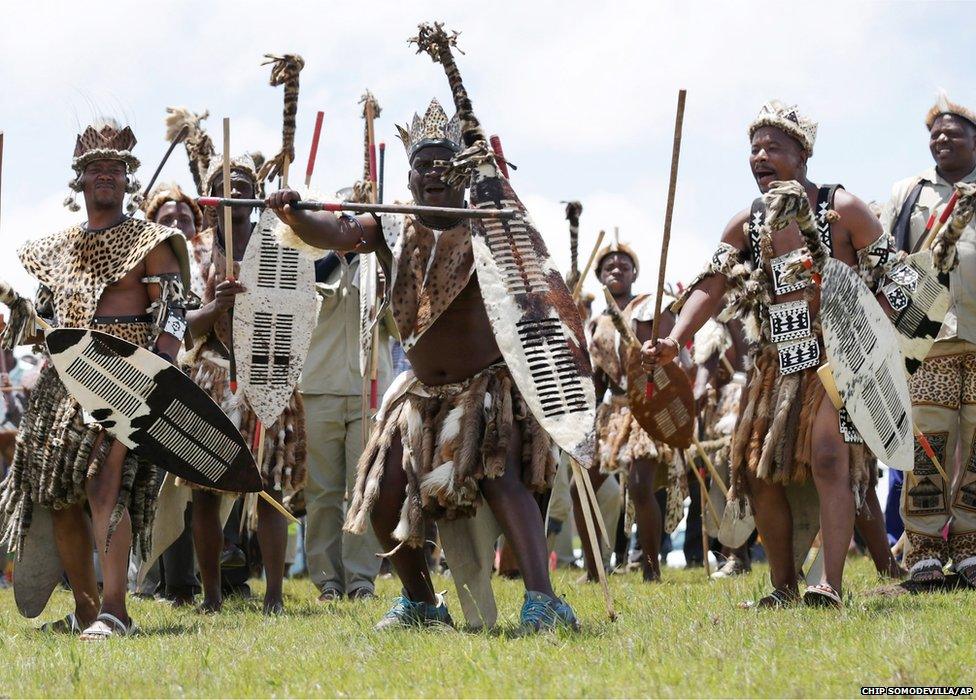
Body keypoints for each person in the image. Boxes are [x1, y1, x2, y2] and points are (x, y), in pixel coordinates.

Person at [267, 97, 577, 632]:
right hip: (420, 397)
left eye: (443, 163)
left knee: (502, 483)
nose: (433, 172)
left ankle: (544, 601)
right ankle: (420, 603)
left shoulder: (490, 225)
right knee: (382, 497)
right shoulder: (391, 227)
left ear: (461, 172)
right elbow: (335, 232)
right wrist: (293, 212)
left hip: (487, 389)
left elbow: (539, 291)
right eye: (423, 164)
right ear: (409, 178)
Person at [643, 101, 889, 607]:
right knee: (757, 471)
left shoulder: (843, 209)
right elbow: (710, 285)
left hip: (839, 357)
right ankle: (782, 586)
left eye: (773, 146)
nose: (760, 156)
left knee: (828, 457)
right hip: (776, 359)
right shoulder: (746, 222)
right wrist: (676, 338)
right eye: (754, 148)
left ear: (802, 153)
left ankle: (831, 585)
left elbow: (897, 279)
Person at [0, 119, 190, 637]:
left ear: (128, 179)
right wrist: (9, 305)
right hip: (62, 381)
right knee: (57, 494)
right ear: (79, 181)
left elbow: (172, 314)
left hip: (124, 373)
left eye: (114, 169)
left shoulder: (151, 241)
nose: (104, 176)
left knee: (104, 484)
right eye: (94, 169)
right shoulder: (57, 249)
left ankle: (115, 611)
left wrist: (158, 371)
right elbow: (43, 325)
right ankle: (86, 610)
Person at [184, 154, 306, 615]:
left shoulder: (279, 242)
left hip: (268, 374)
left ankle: (274, 596)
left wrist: (291, 210)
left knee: (271, 486)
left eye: (244, 186)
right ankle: (212, 594)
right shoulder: (194, 251)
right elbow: (185, 325)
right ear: (213, 202)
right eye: (226, 188)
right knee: (203, 490)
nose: (236, 195)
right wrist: (216, 306)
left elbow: (303, 297)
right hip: (213, 374)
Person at [882, 92, 976, 587]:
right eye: (935, 133)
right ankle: (921, 551)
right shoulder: (909, 193)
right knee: (927, 449)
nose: (942, 139)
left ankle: (970, 549)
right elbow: (889, 260)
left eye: (954, 132)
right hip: (928, 338)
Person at [574, 241, 684, 582]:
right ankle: (594, 571)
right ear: (599, 276)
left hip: (649, 408)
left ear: (635, 273)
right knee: (584, 486)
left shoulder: (652, 308)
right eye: (609, 266)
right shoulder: (598, 323)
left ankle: (651, 568)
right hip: (614, 409)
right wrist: (583, 418)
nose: (617, 270)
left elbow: (671, 361)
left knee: (639, 487)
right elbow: (600, 378)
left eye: (624, 265)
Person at [301, 240, 392, 602]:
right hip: (317, 386)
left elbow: (400, 330)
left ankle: (361, 579)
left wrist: (387, 293)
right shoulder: (309, 260)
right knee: (321, 491)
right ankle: (327, 580)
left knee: (363, 489)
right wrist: (326, 263)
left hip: (367, 389)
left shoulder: (381, 264)